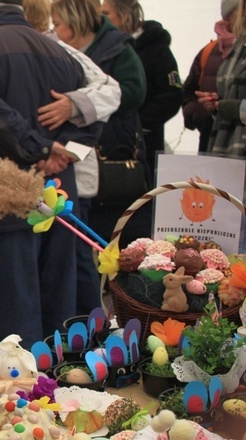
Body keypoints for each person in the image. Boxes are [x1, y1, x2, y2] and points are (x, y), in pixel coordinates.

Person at [0, 0, 103, 347]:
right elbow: (97, 107)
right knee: (59, 307)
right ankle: (61, 387)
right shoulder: (61, 53)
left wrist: (41, 149)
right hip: (60, 198)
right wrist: (62, 151)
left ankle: (26, 395)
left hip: (5, 196)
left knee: (17, 315)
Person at [24, 0, 122, 315]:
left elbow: (112, 91)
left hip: (66, 174)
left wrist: (73, 104)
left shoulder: (59, 50)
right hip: (24, 178)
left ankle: (90, 334)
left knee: (75, 260)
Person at [51, 0, 148, 248]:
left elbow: (134, 91)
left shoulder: (117, 47)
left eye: (58, 24)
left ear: (74, 20)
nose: (54, 30)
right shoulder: (62, 49)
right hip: (79, 152)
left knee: (112, 232)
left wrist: (86, 105)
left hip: (112, 146)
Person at [101, 0, 182, 172]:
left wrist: (140, 124)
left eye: (106, 13)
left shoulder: (157, 50)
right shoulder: (108, 49)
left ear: (125, 14)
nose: (101, 19)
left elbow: (172, 95)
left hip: (145, 144)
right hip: (109, 143)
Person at [184, 0, 238, 152]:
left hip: (240, 141)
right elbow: (188, 92)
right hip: (211, 140)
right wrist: (199, 115)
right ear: (229, 15)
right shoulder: (209, 51)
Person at [203, 0, 246, 158]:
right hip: (229, 147)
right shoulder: (239, 46)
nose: (228, 24)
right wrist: (217, 103)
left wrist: (234, 108)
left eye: (230, 16)